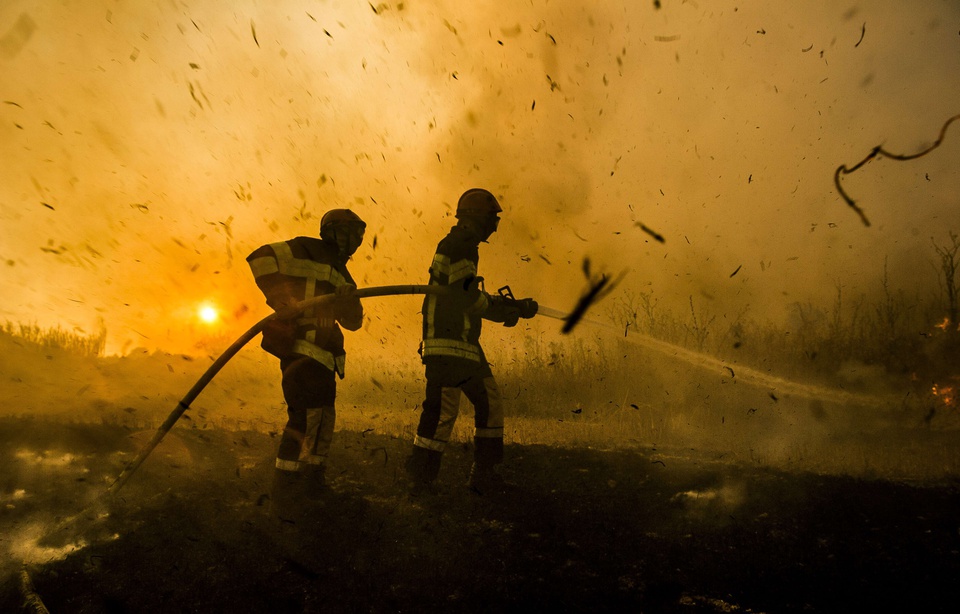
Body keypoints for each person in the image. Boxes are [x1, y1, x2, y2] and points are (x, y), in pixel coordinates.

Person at [406, 188, 537, 494]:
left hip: (462, 344)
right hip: (450, 344)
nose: (495, 225)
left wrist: (509, 307)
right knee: (443, 411)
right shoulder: (462, 245)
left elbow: (464, 291)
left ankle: (482, 475)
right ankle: (423, 481)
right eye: (493, 218)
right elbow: (466, 297)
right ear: (477, 218)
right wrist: (504, 311)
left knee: (486, 403)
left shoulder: (460, 244)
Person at [246, 209, 366, 514]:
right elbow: (259, 258)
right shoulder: (304, 248)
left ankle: (312, 483)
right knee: (307, 419)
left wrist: (348, 300)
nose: (354, 241)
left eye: (358, 235)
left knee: (323, 420)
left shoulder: (342, 273)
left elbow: (353, 322)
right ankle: (286, 491)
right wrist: (280, 299)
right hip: (300, 349)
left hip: (325, 356)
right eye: (349, 233)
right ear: (332, 232)